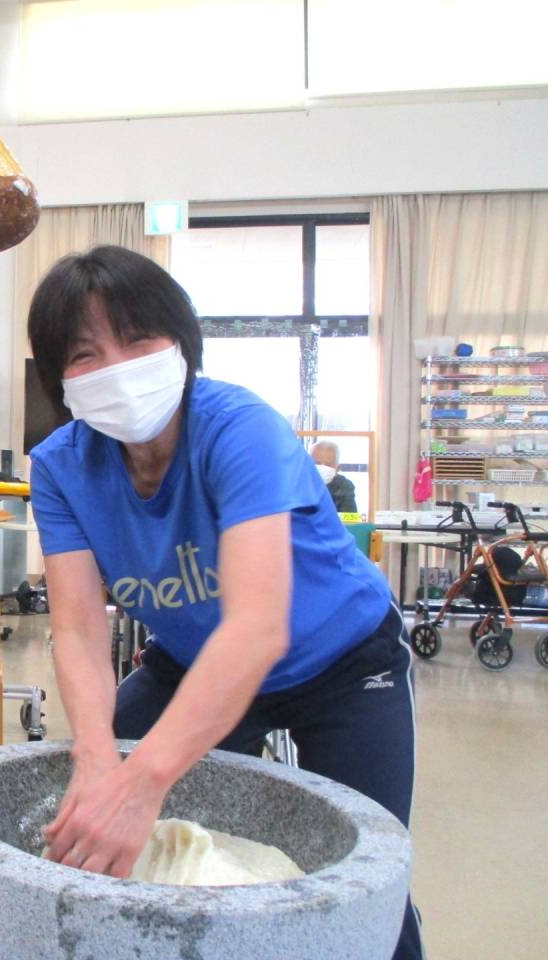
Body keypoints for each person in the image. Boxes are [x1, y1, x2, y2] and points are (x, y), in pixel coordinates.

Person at [26, 246, 423, 960]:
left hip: (341, 662)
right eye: (85, 354)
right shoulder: (59, 466)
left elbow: (257, 626)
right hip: (192, 660)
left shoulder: (239, 428)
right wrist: (95, 759)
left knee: (369, 877)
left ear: (182, 345)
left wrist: (144, 779)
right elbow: (81, 632)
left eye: (139, 340)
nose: (117, 367)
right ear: (58, 378)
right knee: (98, 789)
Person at [312, 440, 358, 513]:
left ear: (338, 468)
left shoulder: (345, 486)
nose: (323, 467)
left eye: (328, 465)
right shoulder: (298, 484)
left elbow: (350, 517)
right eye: (317, 463)